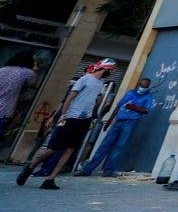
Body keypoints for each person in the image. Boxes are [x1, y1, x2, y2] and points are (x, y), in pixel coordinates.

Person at [16, 58, 115, 190]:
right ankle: (31, 166)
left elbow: (94, 101)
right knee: (54, 148)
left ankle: (50, 179)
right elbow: (70, 97)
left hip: (84, 119)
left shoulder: (100, 83)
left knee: (70, 149)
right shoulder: (85, 79)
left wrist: (96, 107)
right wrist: (63, 115)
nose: (111, 73)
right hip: (71, 117)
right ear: (105, 68)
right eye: (111, 70)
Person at [80, 77, 155, 176]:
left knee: (119, 147)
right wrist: (110, 120)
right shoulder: (130, 93)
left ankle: (108, 171)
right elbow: (118, 106)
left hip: (131, 122)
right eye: (141, 85)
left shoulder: (148, 96)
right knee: (104, 145)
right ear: (138, 84)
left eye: (145, 86)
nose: (142, 87)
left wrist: (135, 108)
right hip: (118, 121)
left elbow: (146, 110)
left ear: (148, 87)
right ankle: (87, 169)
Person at [0, 50, 38, 137]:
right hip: (3, 111)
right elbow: (34, 83)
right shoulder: (27, 72)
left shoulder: (2, 69)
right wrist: (35, 69)